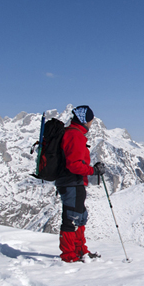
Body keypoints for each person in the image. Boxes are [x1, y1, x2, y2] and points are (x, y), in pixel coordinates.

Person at [55, 105, 106, 262]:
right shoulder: (74, 135)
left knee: (79, 218)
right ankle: (69, 255)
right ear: (84, 120)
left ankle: (80, 251)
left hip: (73, 183)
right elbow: (74, 165)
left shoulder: (74, 134)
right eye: (90, 120)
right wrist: (93, 171)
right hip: (72, 182)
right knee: (71, 219)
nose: (91, 123)